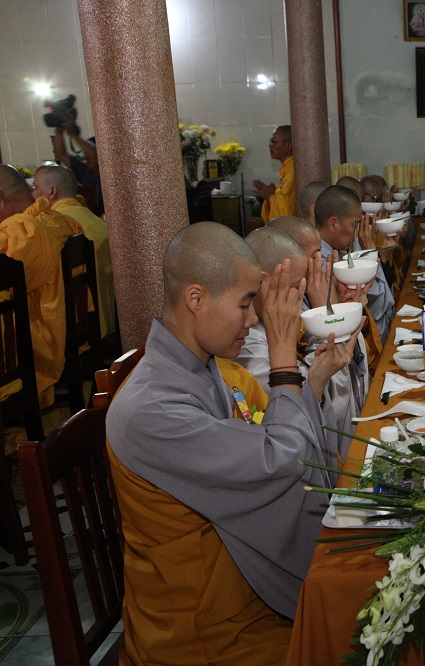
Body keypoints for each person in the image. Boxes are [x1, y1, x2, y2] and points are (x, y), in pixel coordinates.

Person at [106, 221, 363, 662]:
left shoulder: (215, 371)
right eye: (246, 304)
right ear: (195, 299)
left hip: (248, 584)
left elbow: (282, 451)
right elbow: (280, 461)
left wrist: (314, 379)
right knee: (365, 640)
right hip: (205, 632)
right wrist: (283, 360)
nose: (253, 320)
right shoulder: (150, 411)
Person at [241, 226, 369, 459]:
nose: (301, 298)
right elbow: (305, 403)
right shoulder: (243, 343)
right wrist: (327, 326)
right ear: (262, 281)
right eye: (295, 288)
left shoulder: (287, 314)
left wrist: (340, 318)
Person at [0, 164, 84, 415]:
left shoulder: (20, 232)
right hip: (61, 332)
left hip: (30, 351)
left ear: (2, 199)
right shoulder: (58, 220)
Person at [31, 163, 116, 338]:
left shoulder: (52, 226)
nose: (32, 194)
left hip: (80, 329)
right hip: (111, 320)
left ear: (52, 192)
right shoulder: (95, 220)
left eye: (36, 187)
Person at [314, 185, 395, 346]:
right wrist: (370, 255)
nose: (358, 232)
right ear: (333, 224)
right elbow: (378, 305)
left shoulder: (340, 250)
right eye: (355, 225)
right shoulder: (322, 262)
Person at [51, 115, 102, 216]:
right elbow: (61, 155)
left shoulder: (111, 171)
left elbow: (96, 154)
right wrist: (59, 132)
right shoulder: (86, 172)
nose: (88, 158)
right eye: (85, 155)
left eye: (89, 154)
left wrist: (73, 135)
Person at [253, 125, 296, 222]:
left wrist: (270, 196)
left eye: (273, 142)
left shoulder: (292, 171)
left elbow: (286, 215)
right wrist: (271, 195)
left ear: (287, 146)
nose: (270, 146)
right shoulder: (286, 169)